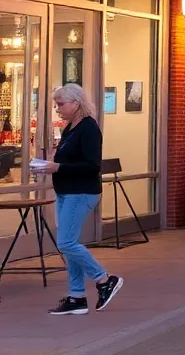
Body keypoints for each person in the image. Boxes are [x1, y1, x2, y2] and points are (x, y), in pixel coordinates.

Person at [43, 84, 123, 315]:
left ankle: (104, 279)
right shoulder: (70, 128)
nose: (58, 109)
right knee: (70, 245)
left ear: (76, 103)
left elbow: (92, 166)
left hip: (81, 192)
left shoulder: (89, 128)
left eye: (61, 104)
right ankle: (77, 296)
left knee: (66, 243)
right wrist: (51, 166)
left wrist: (58, 166)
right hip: (66, 191)